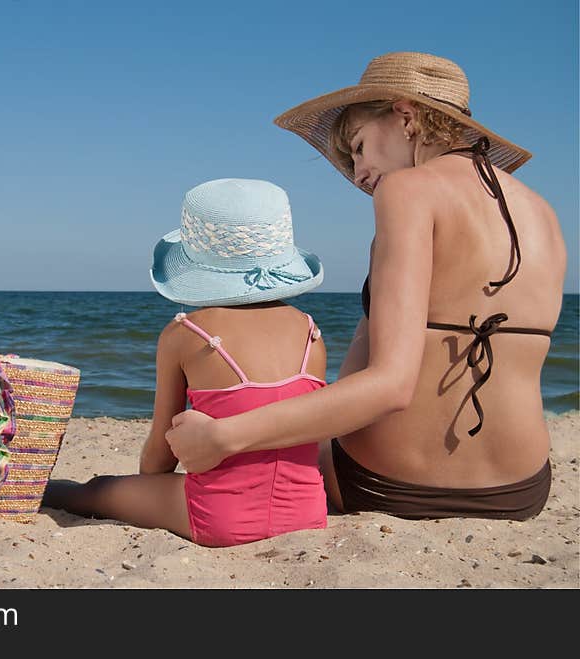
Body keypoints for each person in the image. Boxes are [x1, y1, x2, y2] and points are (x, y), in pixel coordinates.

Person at [164, 52, 566, 521]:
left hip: (390, 486)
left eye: (357, 146)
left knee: (233, 475)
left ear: (405, 115)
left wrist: (226, 435)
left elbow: (392, 386)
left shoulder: (410, 190)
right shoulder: (544, 214)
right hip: (521, 491)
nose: (357, 173)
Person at [42, 178, 328, 547]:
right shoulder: (311, 333)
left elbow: (162, 453)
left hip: (219, 516)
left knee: (97, 491)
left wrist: (148, 483)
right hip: (306, 512)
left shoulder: (187, 333)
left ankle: (37, 492)